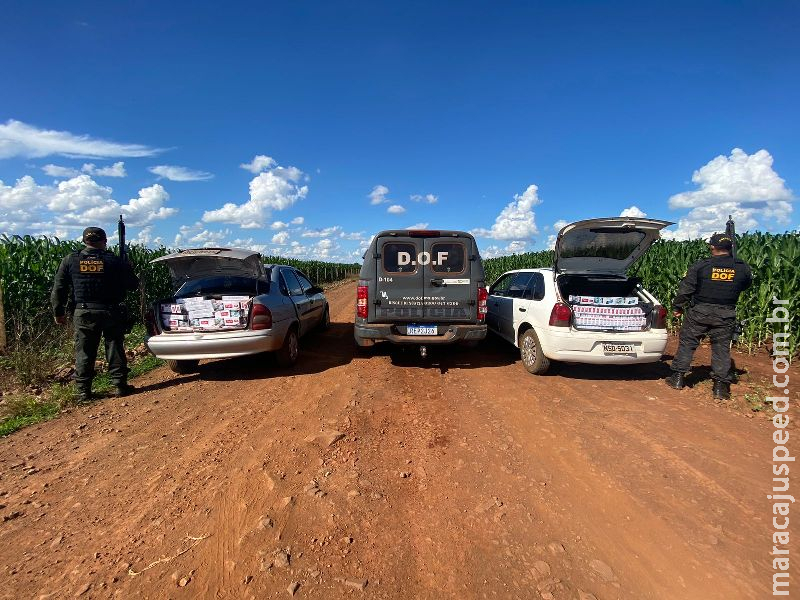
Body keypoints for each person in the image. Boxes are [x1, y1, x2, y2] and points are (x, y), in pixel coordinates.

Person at [51, 227, 140, 402]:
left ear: (85, 241)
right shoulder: (113, 260)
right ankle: (120, 385)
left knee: (84, 350)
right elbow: (133, 285)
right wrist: (127, 267)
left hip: (83, 312)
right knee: (114, 346)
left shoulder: (71, 260)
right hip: (110, 311)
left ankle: (83, 391)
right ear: (104, 241)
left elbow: (59, 288)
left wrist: (58, 312)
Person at [665, 232, 752, 399]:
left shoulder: (701, 266)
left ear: (712, 247)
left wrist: (678, 307)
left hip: (699, 311)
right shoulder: (741, 267)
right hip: (725, 313)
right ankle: (720, 388)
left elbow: (686, 289)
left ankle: (677, 378)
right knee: (721, 349)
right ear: (730, 247)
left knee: (687, 344)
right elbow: (745, 284)